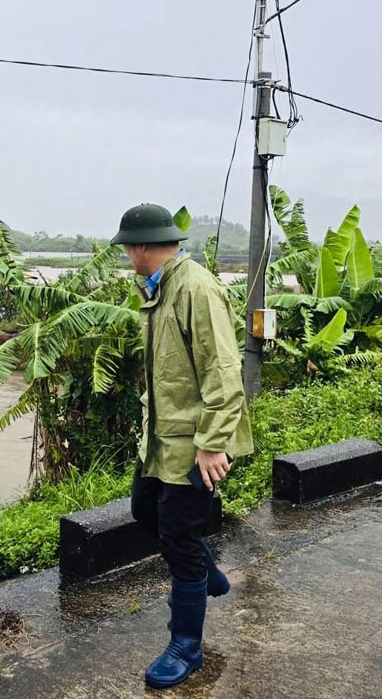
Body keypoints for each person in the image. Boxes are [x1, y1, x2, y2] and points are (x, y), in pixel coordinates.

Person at [110, 203, 253, 689]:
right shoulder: (158, 290)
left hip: (196, 442)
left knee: (180, 539)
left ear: (144, 246)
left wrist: (213, 445)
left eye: (129, 247)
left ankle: (186, 646)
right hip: (162, 438)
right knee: (144, 511)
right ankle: (208, 574)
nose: (128, 256)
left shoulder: (195, 289)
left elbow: (223, 370)